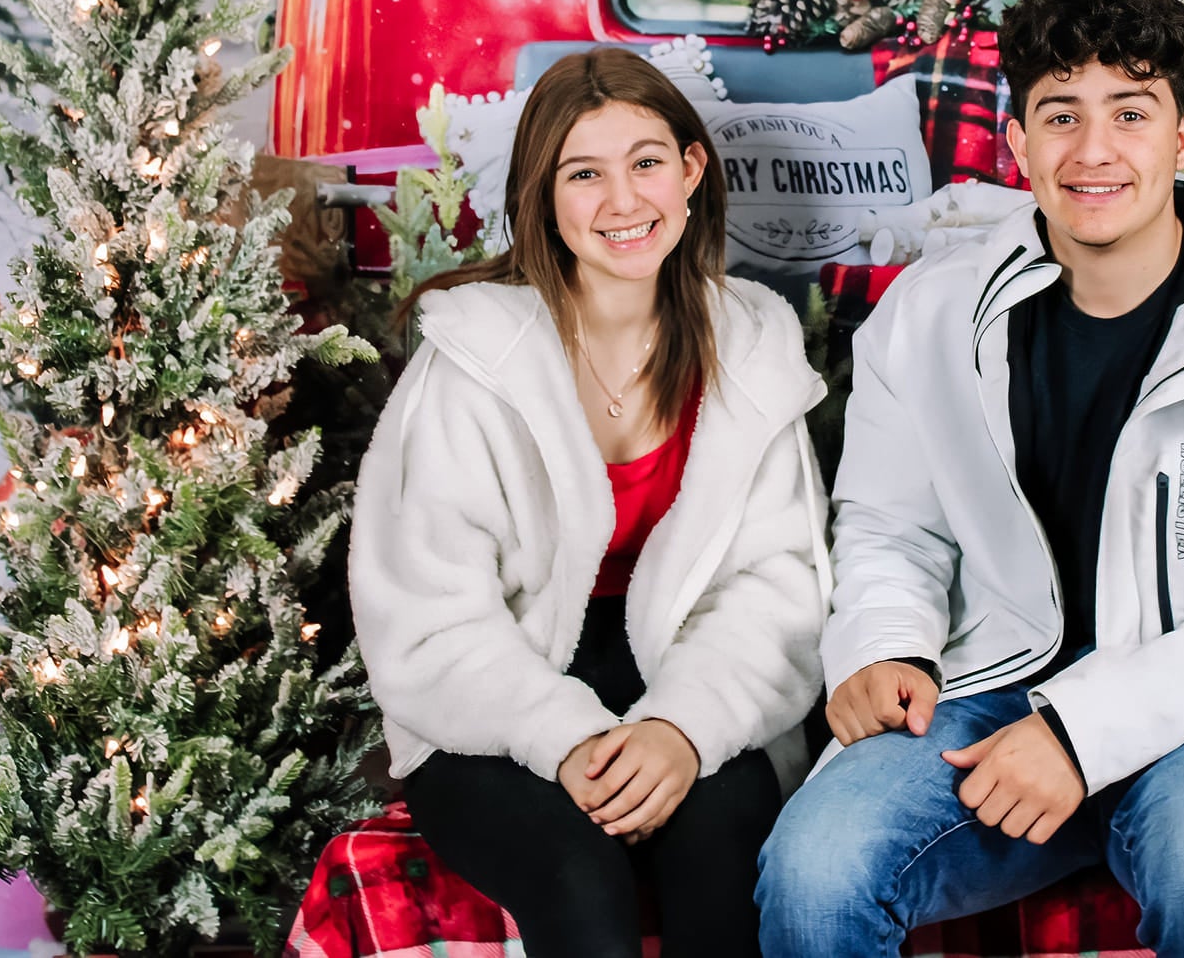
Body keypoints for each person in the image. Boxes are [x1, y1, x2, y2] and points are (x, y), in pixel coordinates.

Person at [757, 0, 1184, 958]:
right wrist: (884, 645)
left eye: (1130, 112)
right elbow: (894, 528)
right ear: (1016, 142)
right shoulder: (931, 314)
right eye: (1059, 115)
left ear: (1182, 136)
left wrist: (1079, 731)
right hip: (993, 687)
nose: (1093, 150)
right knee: (816, 868)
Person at [349, 47, 829, 958]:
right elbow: (427, 617)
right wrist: (564, 737)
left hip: (687, 673)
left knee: (724, 842)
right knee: (579, 878)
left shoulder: (753, 350)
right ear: (543, 196)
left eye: (647, 162)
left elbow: (777, 587)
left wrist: (682, 728)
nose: (623, 201)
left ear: (691, 172)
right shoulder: (474, 364)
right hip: (495, 699)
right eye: (584, 174)